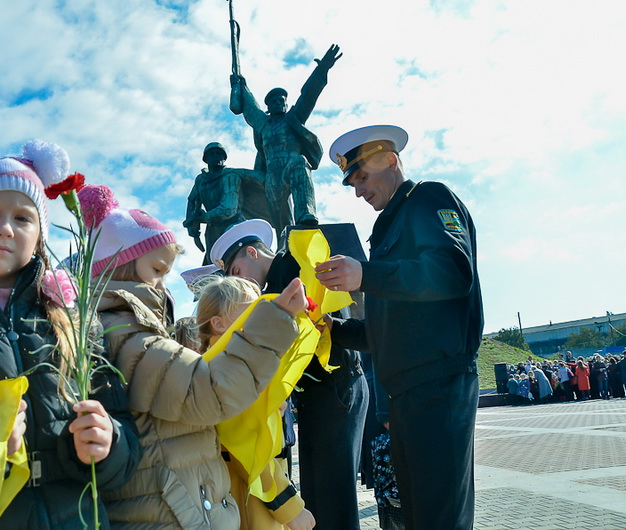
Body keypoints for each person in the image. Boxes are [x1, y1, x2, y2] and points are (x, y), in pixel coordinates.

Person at [0, 142, 140, 528]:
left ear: (40, 235)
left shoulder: (72, 320)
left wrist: (109, 444)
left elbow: (123, 426)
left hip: (78, 516)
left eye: (23, 218)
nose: (5, 228)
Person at [83, 184, 306, 529]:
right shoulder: (132, 338)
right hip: (173, 510)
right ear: (123, 270)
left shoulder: (130, 333)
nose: (162, 287)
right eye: (157, 271)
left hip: (179, 503)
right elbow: (210, 392)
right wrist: (272, 322)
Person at [315, 125, 483, 529]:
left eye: (362, 177)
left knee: (439, 518)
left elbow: (451, 274)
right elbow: (387, 331)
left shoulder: (427, 198)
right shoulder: (390, 223)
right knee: (419, 516)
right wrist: (333, 330)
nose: (357, 190)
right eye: (352, 182)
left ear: (390, 161)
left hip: (438, 387)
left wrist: (366, 276)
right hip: (408, 395)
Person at [209, 218, 367, 530]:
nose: (242, 282)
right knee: (318, 493)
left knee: (334, 493)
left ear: (252, 253)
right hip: (316, 396)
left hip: (336, 388)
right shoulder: (272, 287)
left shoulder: (299, 264)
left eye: (237, 271)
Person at [192, 274, 315, 530]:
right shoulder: (228, 374)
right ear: (219, 323)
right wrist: (291, 509)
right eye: (253, 309)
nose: (263, 315)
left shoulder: (220, 366)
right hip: (252, 501)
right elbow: (247, 451)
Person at [230, 44, 342, 234]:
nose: (278, 103)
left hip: (291, 164)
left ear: (286, 103)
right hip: (272, 174)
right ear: (268, 106)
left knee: (300, 163)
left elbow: (308, 95)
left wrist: (321, 70)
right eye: (274, 101)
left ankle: (306, 214)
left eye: (282, 100)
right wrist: (240, 83)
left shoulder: (293, 118)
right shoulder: (263, 124)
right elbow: (249, 107)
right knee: (283, 225)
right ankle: (286, 243)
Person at [184, 142, 269, 262]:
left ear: (224, 158)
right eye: (212, 154)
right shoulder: (201, 180)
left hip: (234, 227)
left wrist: (203, 217)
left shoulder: (230, 176)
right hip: (213, 232)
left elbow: (229, 209)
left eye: (219, 154)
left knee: (237, 262)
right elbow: (192, 200)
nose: (216, 156)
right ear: (206, 159)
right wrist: (192, 226)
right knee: (211, 271)